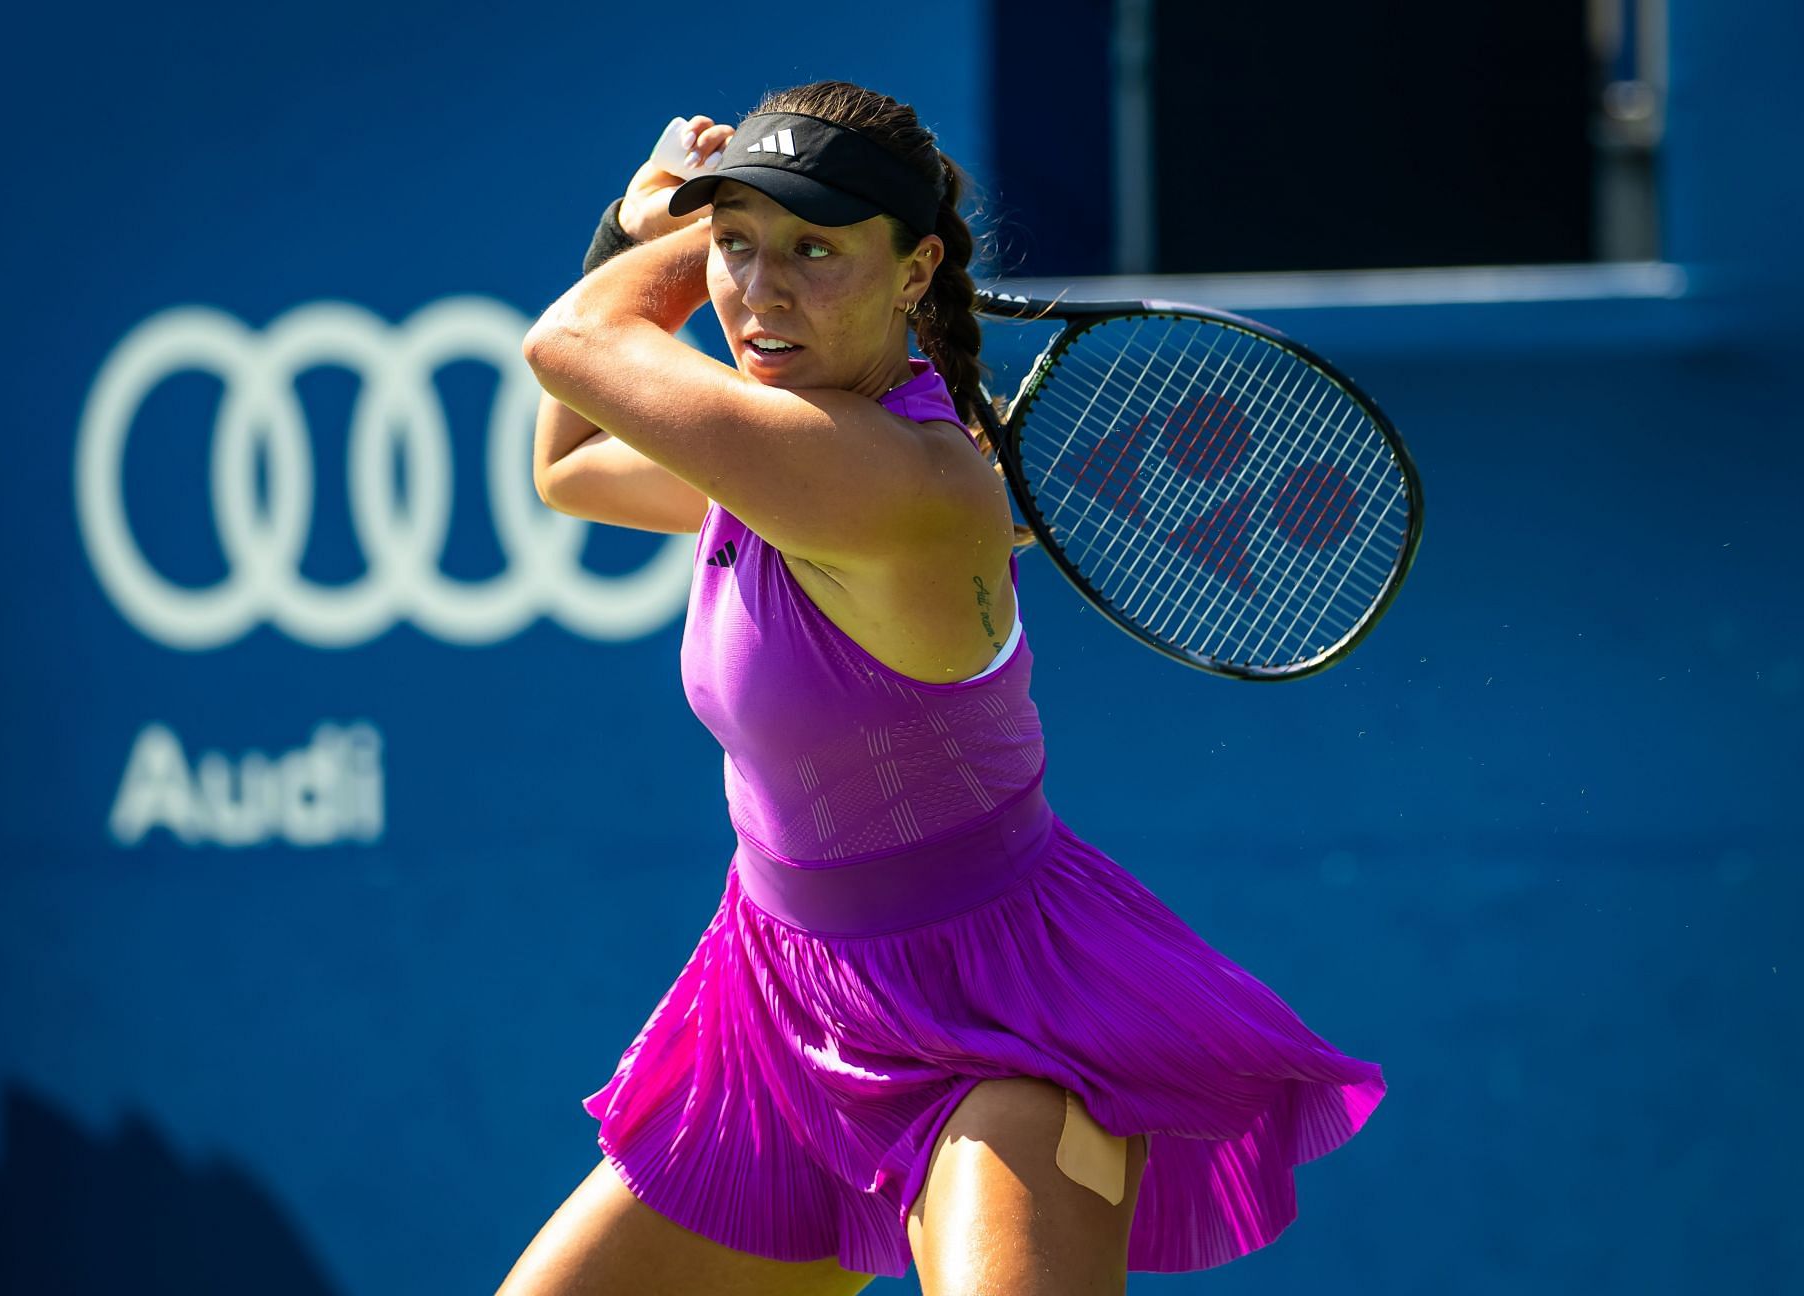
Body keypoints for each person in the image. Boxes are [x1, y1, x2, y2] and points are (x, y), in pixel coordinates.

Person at [506, 80, 1386, 1296]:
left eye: (813, 250)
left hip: (1003, 1028)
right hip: (782, 1000)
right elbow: (568, 464)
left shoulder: (888, 483)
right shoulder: (775, 451)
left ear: (915, 271)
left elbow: (569, 347)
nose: (759, 293)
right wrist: (658, 235)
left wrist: (656, 230)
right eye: (738, 247)